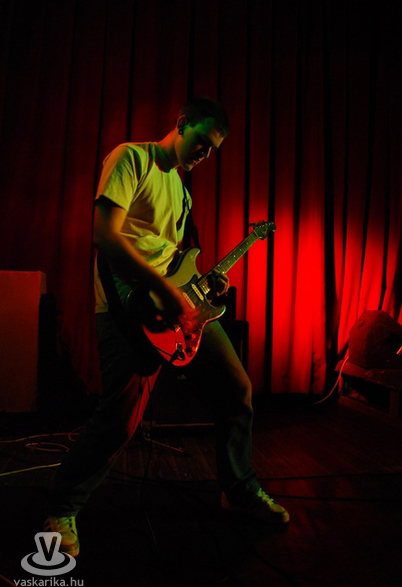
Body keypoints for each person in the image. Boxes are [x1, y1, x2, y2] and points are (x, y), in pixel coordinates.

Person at [44, 97, 289, 557]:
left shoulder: (182, 191)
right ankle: (61, 508)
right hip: (127, 309)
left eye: (213, 150)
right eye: (202, 142)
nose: (205, 154)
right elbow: (105, 235)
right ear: (181, 123)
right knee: (119, 420)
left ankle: (238, 489)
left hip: (178, 310)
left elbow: (174, 259)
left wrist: (202, 284)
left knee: (237, 389)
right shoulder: (131, 158)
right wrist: (164, 289)